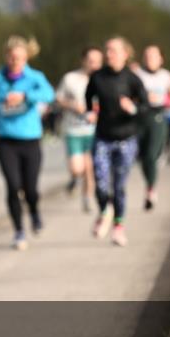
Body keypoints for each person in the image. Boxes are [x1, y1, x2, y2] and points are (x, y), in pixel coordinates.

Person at [0, 36, 55, 250]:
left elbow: (49, 94)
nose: (16, 62)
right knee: (13, 186)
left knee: (31, 189)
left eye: (20, 58)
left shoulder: (35, 77)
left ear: (26, 58)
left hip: (31, 140)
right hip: (7, 141)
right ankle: (18, 230)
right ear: (6, 56)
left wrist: (25, 95)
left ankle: (34, 212)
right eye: (12, 57)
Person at [85, 37, 148, 246]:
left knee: (119, 186)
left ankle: (119, 227)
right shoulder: (97, 77)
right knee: (101, 183)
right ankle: (105, 210)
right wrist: (89, 112)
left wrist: (134, 109)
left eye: (113, 50)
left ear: (125, 54)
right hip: (103, 137)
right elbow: (89, 97)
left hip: (127, 139)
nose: (108, 54)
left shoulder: (132, 79)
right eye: (107, 50)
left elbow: (145, 106)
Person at [56, 47, 103, 213]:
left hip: (94, 131)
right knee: (78, 168)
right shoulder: (70, 78)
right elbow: (58, 98)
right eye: (91, 61)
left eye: (98, 62)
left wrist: (98, 114)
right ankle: (74, 179)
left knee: (90, 167)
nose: (94, 65)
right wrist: (72, 106)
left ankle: (87, 198)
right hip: (73, 130)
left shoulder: (103, 79)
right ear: (83, 61)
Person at [133, 45, 170, 211]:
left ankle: (151, 189)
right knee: (142, 158)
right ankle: (150, 183)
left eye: (153, 56)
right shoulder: (137, 75)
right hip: (139, 118)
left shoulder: (166, 76)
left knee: (152, 155)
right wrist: (141, 99)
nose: (149, 59)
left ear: (161, 59)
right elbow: (129, 96)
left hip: (158, 117)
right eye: (147, 56)